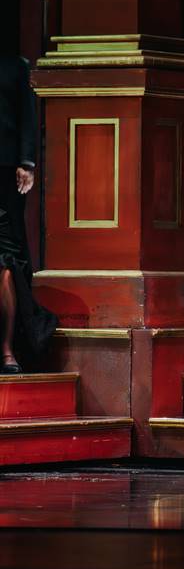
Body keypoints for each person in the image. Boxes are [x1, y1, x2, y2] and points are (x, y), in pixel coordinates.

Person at [0, 56, 56, 375]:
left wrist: (27, 162)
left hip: (5, 173)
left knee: (6, 258)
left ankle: (8, 349)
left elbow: (26, 116)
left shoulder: (14, 66)